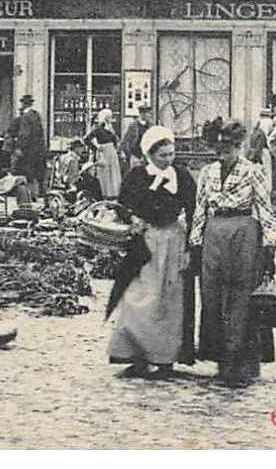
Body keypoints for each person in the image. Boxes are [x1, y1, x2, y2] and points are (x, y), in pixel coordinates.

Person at [190, 121, 276, 387]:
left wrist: (269, 246)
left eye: (228, 149)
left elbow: (264, 208)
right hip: (214, 233)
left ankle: (240, 361)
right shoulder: (207, 172)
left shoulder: (253, 172)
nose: (222, 155)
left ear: (238, 147)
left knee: (241, 297)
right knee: (212, 295)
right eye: (219, 150)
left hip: (243, 232)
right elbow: (200, 207)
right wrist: (195, 242)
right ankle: (219, 357)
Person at [107, 125, 197, 379]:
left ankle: (166, 358)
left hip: (172, 241)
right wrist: (133, 218)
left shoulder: (182, 176)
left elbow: (193, 211)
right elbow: (121, 206)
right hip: (146, 242)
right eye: (162, 156)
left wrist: (190, 247)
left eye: (171, 154)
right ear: (149, 155)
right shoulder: (137, 176)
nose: (168, 160)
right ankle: (137, 355)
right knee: (137, 298)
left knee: (169, 301)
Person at [10, 93, 48, 206]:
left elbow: (24, 135)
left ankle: (29, 196)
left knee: (27, 173)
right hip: (39, 150)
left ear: (23, 104)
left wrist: (19, 148)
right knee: (38, 174)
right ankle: (40, 195)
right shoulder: (36, 115)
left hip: (29, 151)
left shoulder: (26, 117)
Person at [87, 108, 123, 199]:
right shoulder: (98, 128)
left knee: (113, 174)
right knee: (105, 175)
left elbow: (115, 140)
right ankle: (105, 195)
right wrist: (97, 147)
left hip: (112, 154)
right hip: (104, 154)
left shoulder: (111, 129)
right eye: (109, 117)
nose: (110, 119)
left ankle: (113, 195)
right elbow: (87, 138)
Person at [119, 105, 150, 176]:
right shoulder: (133, 126)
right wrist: (130, 155)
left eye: (147, 113)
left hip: (147, 156)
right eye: (144, 113)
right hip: (136, 155)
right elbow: (124, 142)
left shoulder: (150, 126)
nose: (146, 115)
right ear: (140, 114)